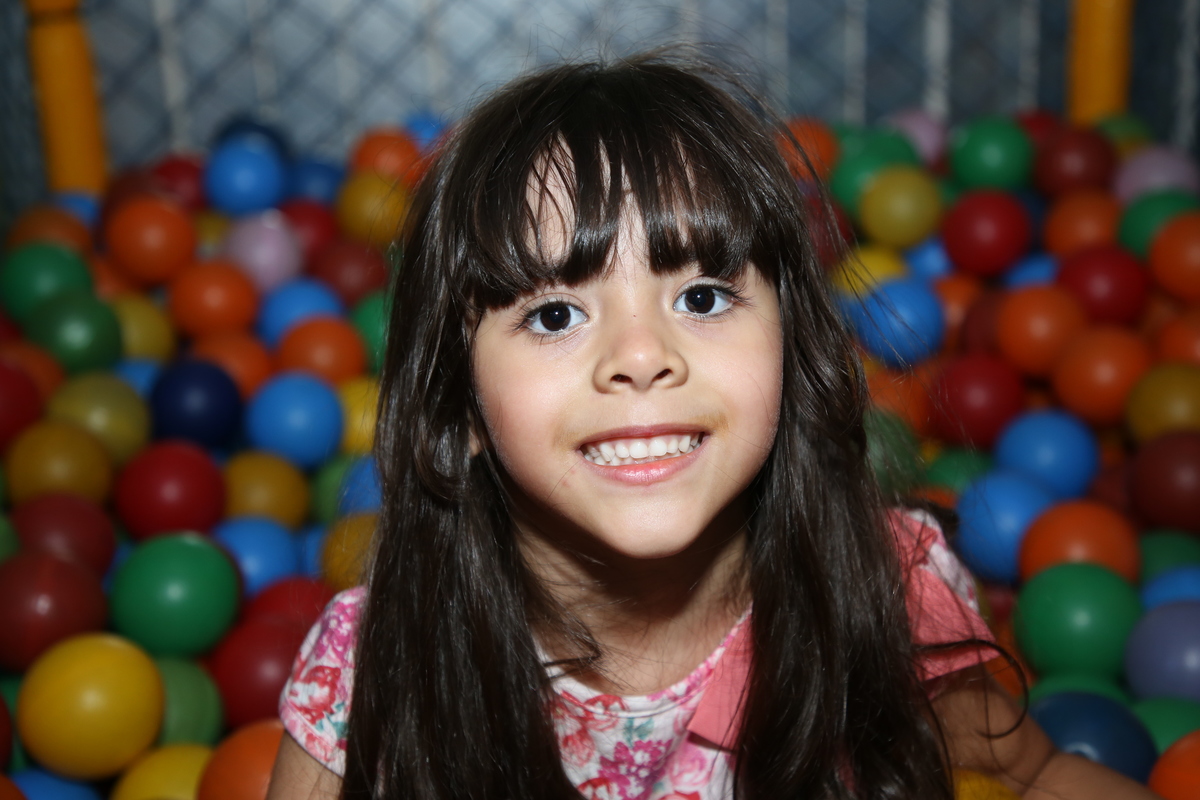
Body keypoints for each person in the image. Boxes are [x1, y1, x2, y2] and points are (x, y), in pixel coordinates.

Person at [266, 51, 1161, 800]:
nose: (640, 354)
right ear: (457, 404)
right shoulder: (380, 666)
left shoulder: (875, 594)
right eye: (554, 315)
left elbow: (1038, 776)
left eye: (701, 297)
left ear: (793, 353)